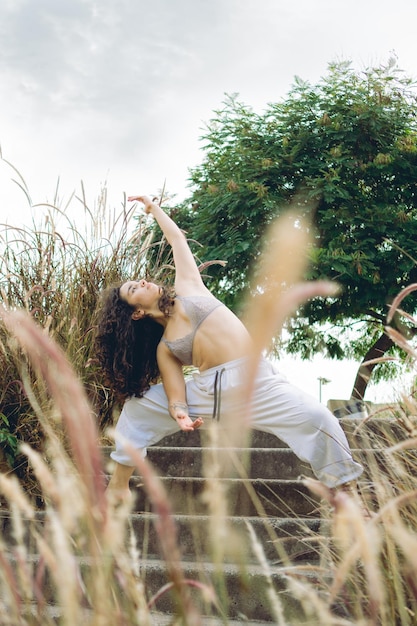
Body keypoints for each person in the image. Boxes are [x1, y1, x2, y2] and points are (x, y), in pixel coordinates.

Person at [95, 195, 363, 501]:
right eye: (134, 288)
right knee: (136, 409)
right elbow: (176, 396)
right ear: (136, 313)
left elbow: (176, 240)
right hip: (211, 394)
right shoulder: (166, 348)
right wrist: (181, 415)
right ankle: (117, 487)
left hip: (257, 384)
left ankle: (347, 496)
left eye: (140, 280)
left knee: (319, 418)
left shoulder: (189, 287)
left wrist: (154, 209)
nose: (142, 281)